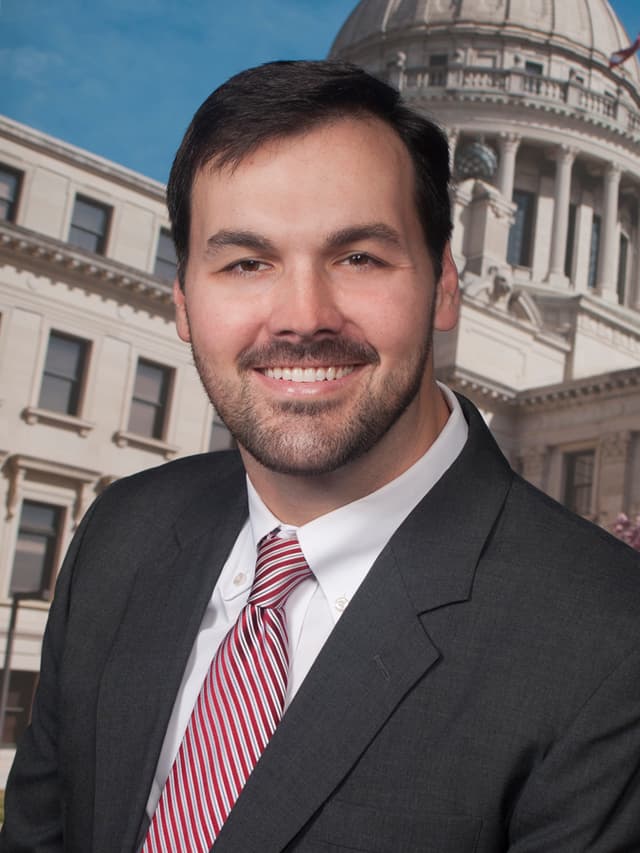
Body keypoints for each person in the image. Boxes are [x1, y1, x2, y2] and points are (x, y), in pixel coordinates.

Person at [2, 60, 640, 853]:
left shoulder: (610, 639)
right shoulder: (119, 535)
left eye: (360, 257)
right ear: (183, 301)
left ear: (446, 283)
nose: (302, 317)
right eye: (245, 262)